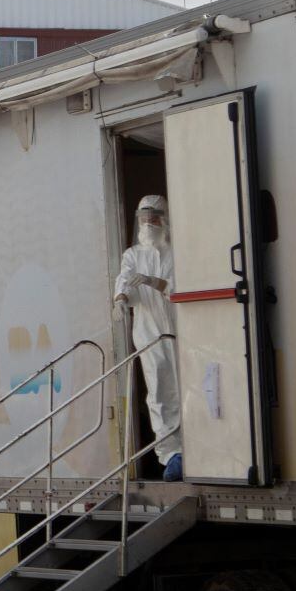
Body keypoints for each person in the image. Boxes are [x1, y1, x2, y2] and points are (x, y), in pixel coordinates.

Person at [114, 194, 183, 481]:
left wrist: (159, 283)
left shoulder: (176, 252)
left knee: (188, 388)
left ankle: (201, 447)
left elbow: (183, 287)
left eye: (153, 217)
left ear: (164, 219)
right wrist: (121, 296)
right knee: (159, 393)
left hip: (182, 332)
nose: (148, 222)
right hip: (150, 335)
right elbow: (124, 280)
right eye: (144, 218)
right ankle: (171, 455)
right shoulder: (133, 255)